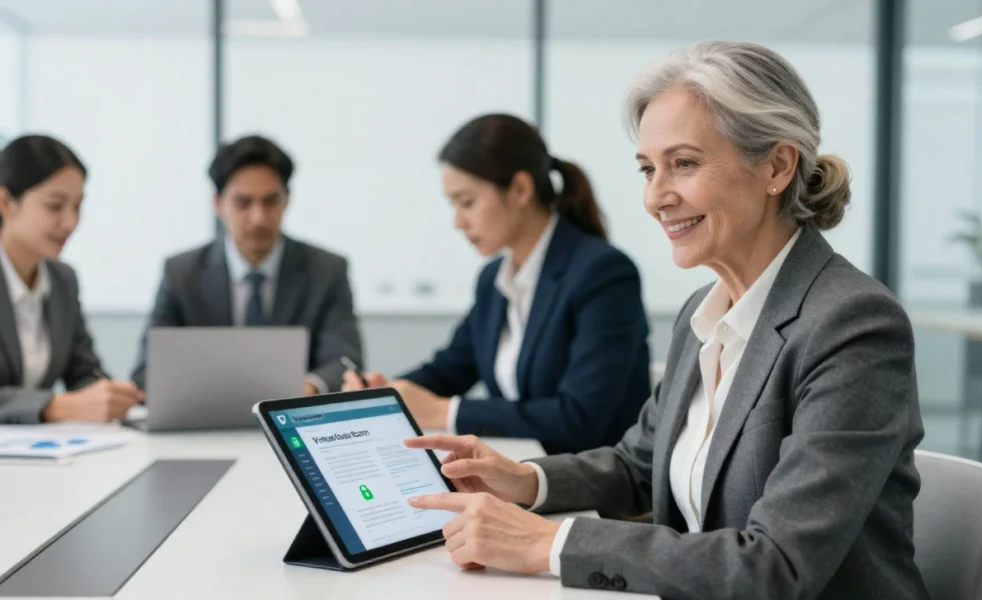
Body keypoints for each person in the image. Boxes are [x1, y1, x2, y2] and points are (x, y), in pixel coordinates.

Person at [404, 42, 930, 599]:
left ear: (776, 166)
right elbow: (639, 464)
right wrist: (526, 480)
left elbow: (777, 567)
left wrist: (548, 545)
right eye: (648, 169)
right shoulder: (703, 313)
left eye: (684, 164)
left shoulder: (851, 325)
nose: (656, 197)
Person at [343, 114, 650, 455]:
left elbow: (579, 417)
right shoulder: (494, 278)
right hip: (523, 469)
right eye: (453, 204)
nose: (458, 222)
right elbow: (451, 368)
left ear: (520, 189)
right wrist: (381, 395)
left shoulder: (603, 272)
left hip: (594, 488)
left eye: (467, 202)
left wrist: (443, 412)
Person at [130, 135, 363, 394]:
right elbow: (146, 372)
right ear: (218, 204)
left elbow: (345, 361)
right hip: (206, 420)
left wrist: (309, 387)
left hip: (294, 419)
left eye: (270, 201)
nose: (258, 218)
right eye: (243, 203)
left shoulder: (327, 271)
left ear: (287, 200)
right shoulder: (182, 273)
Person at [0, 135, 143, 424]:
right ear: (5, 202)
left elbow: (83, 371)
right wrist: (55, 406)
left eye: (77, 206)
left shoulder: (62, 279)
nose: (71, 222)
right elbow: (63, 403)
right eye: (55, 206)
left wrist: (109, 395)